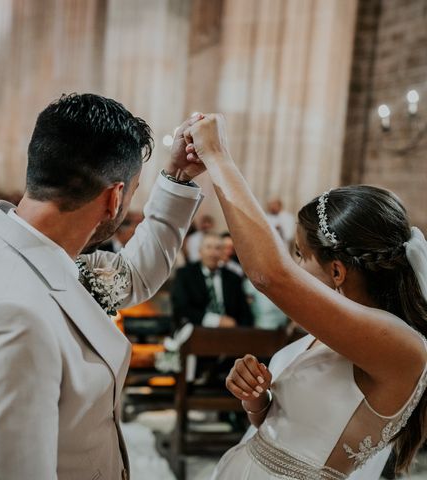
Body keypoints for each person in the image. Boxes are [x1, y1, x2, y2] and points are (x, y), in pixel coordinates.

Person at [0, 94, 205, 479]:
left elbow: (135, 273)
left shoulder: (37, 254)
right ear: (114, 198)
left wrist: (177, 178)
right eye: (132, 191)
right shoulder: (11, 317)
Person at [182, 114, 427, 479]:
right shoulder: (333, 329)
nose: (294, 265)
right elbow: (292, 426)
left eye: (299, 254)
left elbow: (269, 275)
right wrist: (257, 399)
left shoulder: (402, 346)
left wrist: (217, 156)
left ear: (338, 272)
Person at [171, 232, 253, 329]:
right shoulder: (185, 274)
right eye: (208, 247)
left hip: (228, 333)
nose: (213, 253)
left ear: (222, 253)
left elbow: (244, 313)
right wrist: (216, 321)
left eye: (217, 248)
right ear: (200, 251)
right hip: (196, 330)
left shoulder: (233, 278)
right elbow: (181, 308)